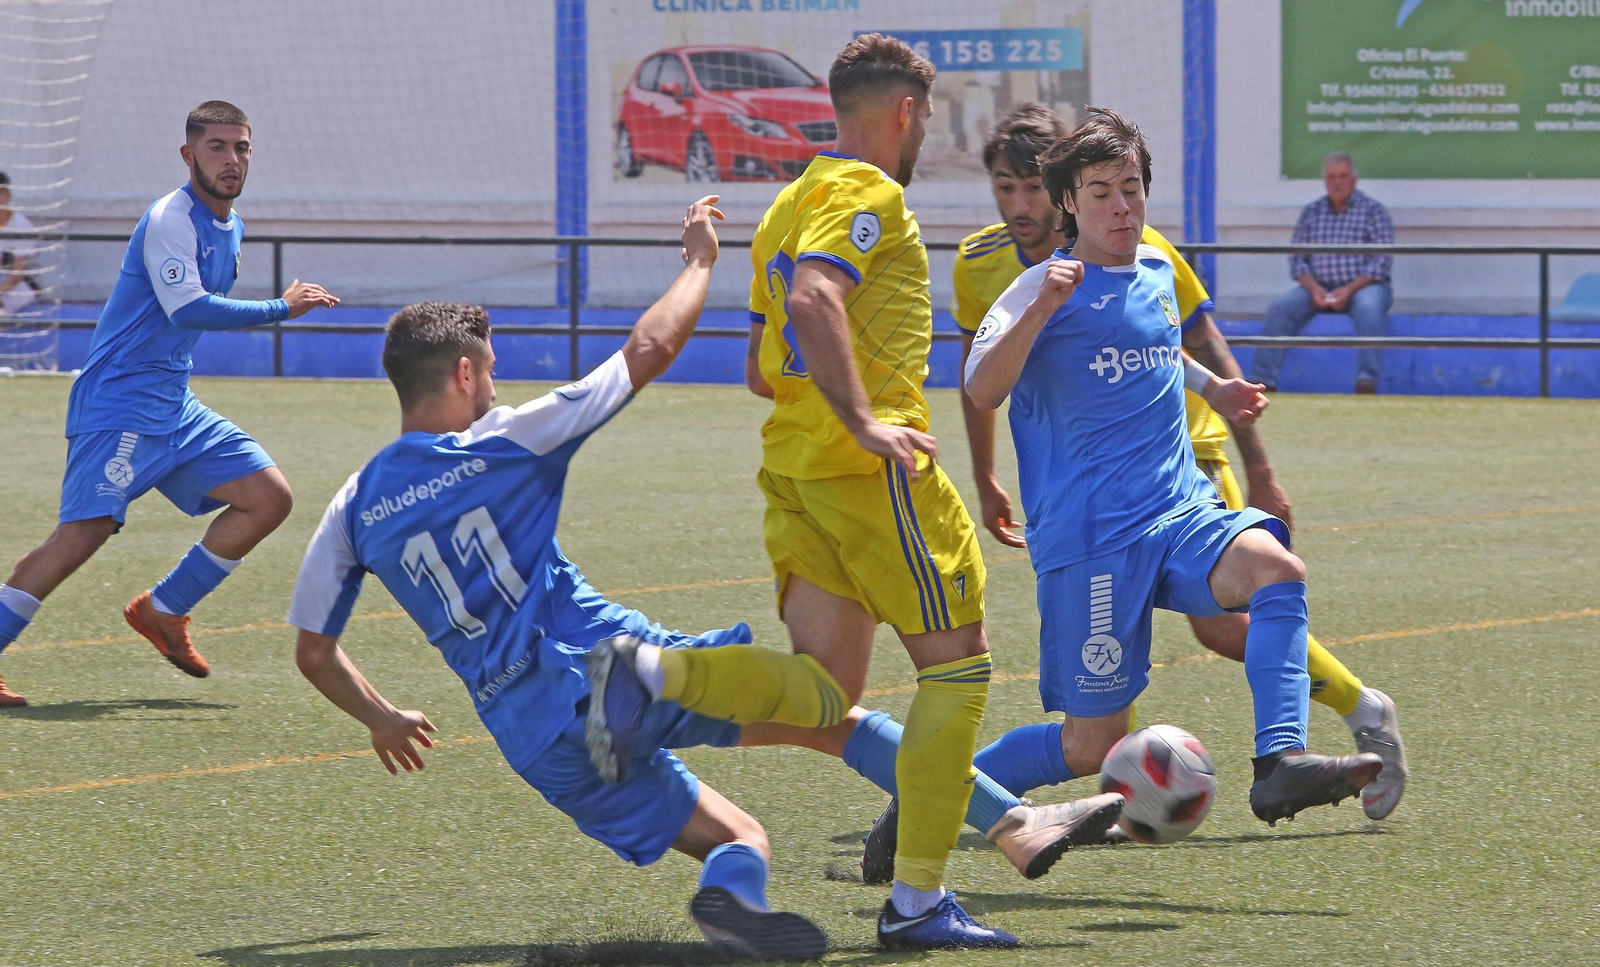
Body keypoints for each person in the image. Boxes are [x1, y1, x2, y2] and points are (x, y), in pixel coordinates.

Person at [287, 199, 835, 960]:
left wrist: (381, 717)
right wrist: (702, 261)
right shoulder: (504, 441)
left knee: (739, 835)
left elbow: (314, 651)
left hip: (534, 740)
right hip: (605, 673)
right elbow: (649, 347)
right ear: (464, 369)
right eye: (492, 367)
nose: (495, 382)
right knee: (827, 719)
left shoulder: (353, 503)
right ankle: (953, 857)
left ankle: (731, 909)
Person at [946, 106, 1408, 825]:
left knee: (1276, 569)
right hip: (1092, 537)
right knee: (1089, 743)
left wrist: (1211, 387)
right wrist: (1042, 308)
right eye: (1100, 192)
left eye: (1130, 187)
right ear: (1069, 200)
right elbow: (980, 388)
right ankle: (931, 793)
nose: (1120, 206)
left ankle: (1279, 762)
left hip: (1176, 511)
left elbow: (1157, 338)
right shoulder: (1036, 288)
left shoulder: (1158, 266)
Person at [728, 33, 1060, 950]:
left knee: (824, 695)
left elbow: (762, 368)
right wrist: (868, 420)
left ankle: (661, 694)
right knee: (958, 666)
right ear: (907, 110)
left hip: (795, 468)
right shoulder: (866, 192)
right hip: (872, 473)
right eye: (925, 118)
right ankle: (917, 902)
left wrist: (829, 398)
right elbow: (813, 301)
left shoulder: (786, 203)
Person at [0, 101, 338, 708]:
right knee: (82, 534)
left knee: (268, 498)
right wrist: (281, 307)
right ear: (189, 156)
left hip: (172, 403)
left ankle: (163, 610)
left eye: (242, 148)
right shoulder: (168, 218)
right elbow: (189, 308)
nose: (232, 160)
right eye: (217, 148)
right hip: (120, 402)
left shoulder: (232, 224)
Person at [1249, 151, 1394, 395]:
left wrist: (1348, 290)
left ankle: (1366, 381)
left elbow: (1381, 262)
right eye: (1331, 176)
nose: (1337, 182)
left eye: (1343, 176)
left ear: (1354, 180)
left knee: (1370, 308)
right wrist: (1314, 288)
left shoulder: (1373, 211)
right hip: (1316, 287)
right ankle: (1263, 381)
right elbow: (1297, 259)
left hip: (1363, 287)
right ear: (1325, 181)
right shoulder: (1311, 212)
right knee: (1280, 308)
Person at [0, 172, 42, 316]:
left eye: (0, 192)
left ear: (8, 196)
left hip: (23, 284)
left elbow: (18, 275)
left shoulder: (21, 225)